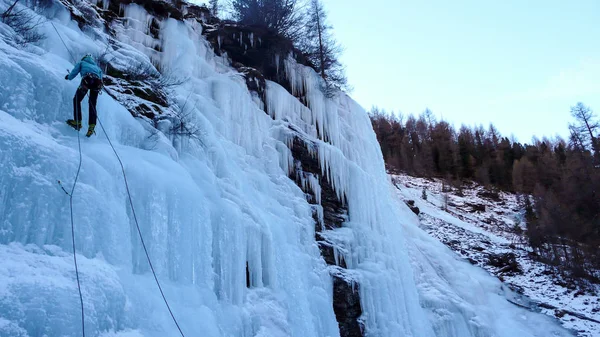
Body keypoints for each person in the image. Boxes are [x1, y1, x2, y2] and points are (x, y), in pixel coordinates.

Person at [65, 54, 103, 137]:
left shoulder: (82, 63)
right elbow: (101, 77)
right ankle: (91, 127)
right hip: (97, 84)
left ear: (84, 58)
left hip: (86, 81)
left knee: (77, 99)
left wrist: (68, 77)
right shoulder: (97, 67)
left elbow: (74, 72)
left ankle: (77, 121)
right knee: (92, 104)